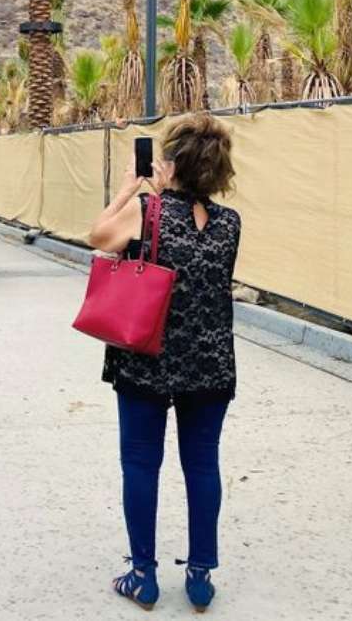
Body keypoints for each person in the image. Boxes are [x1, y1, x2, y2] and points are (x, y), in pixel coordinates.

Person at [87, 113, 241, 613]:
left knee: (140, 464)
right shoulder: (230, 223)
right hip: (211, 362)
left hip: (145, 359)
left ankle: (143, 576)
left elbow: (97, 236)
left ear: (170, 165)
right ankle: (199, 577)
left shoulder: (146, 211)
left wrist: (131, 190)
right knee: (202, 465)